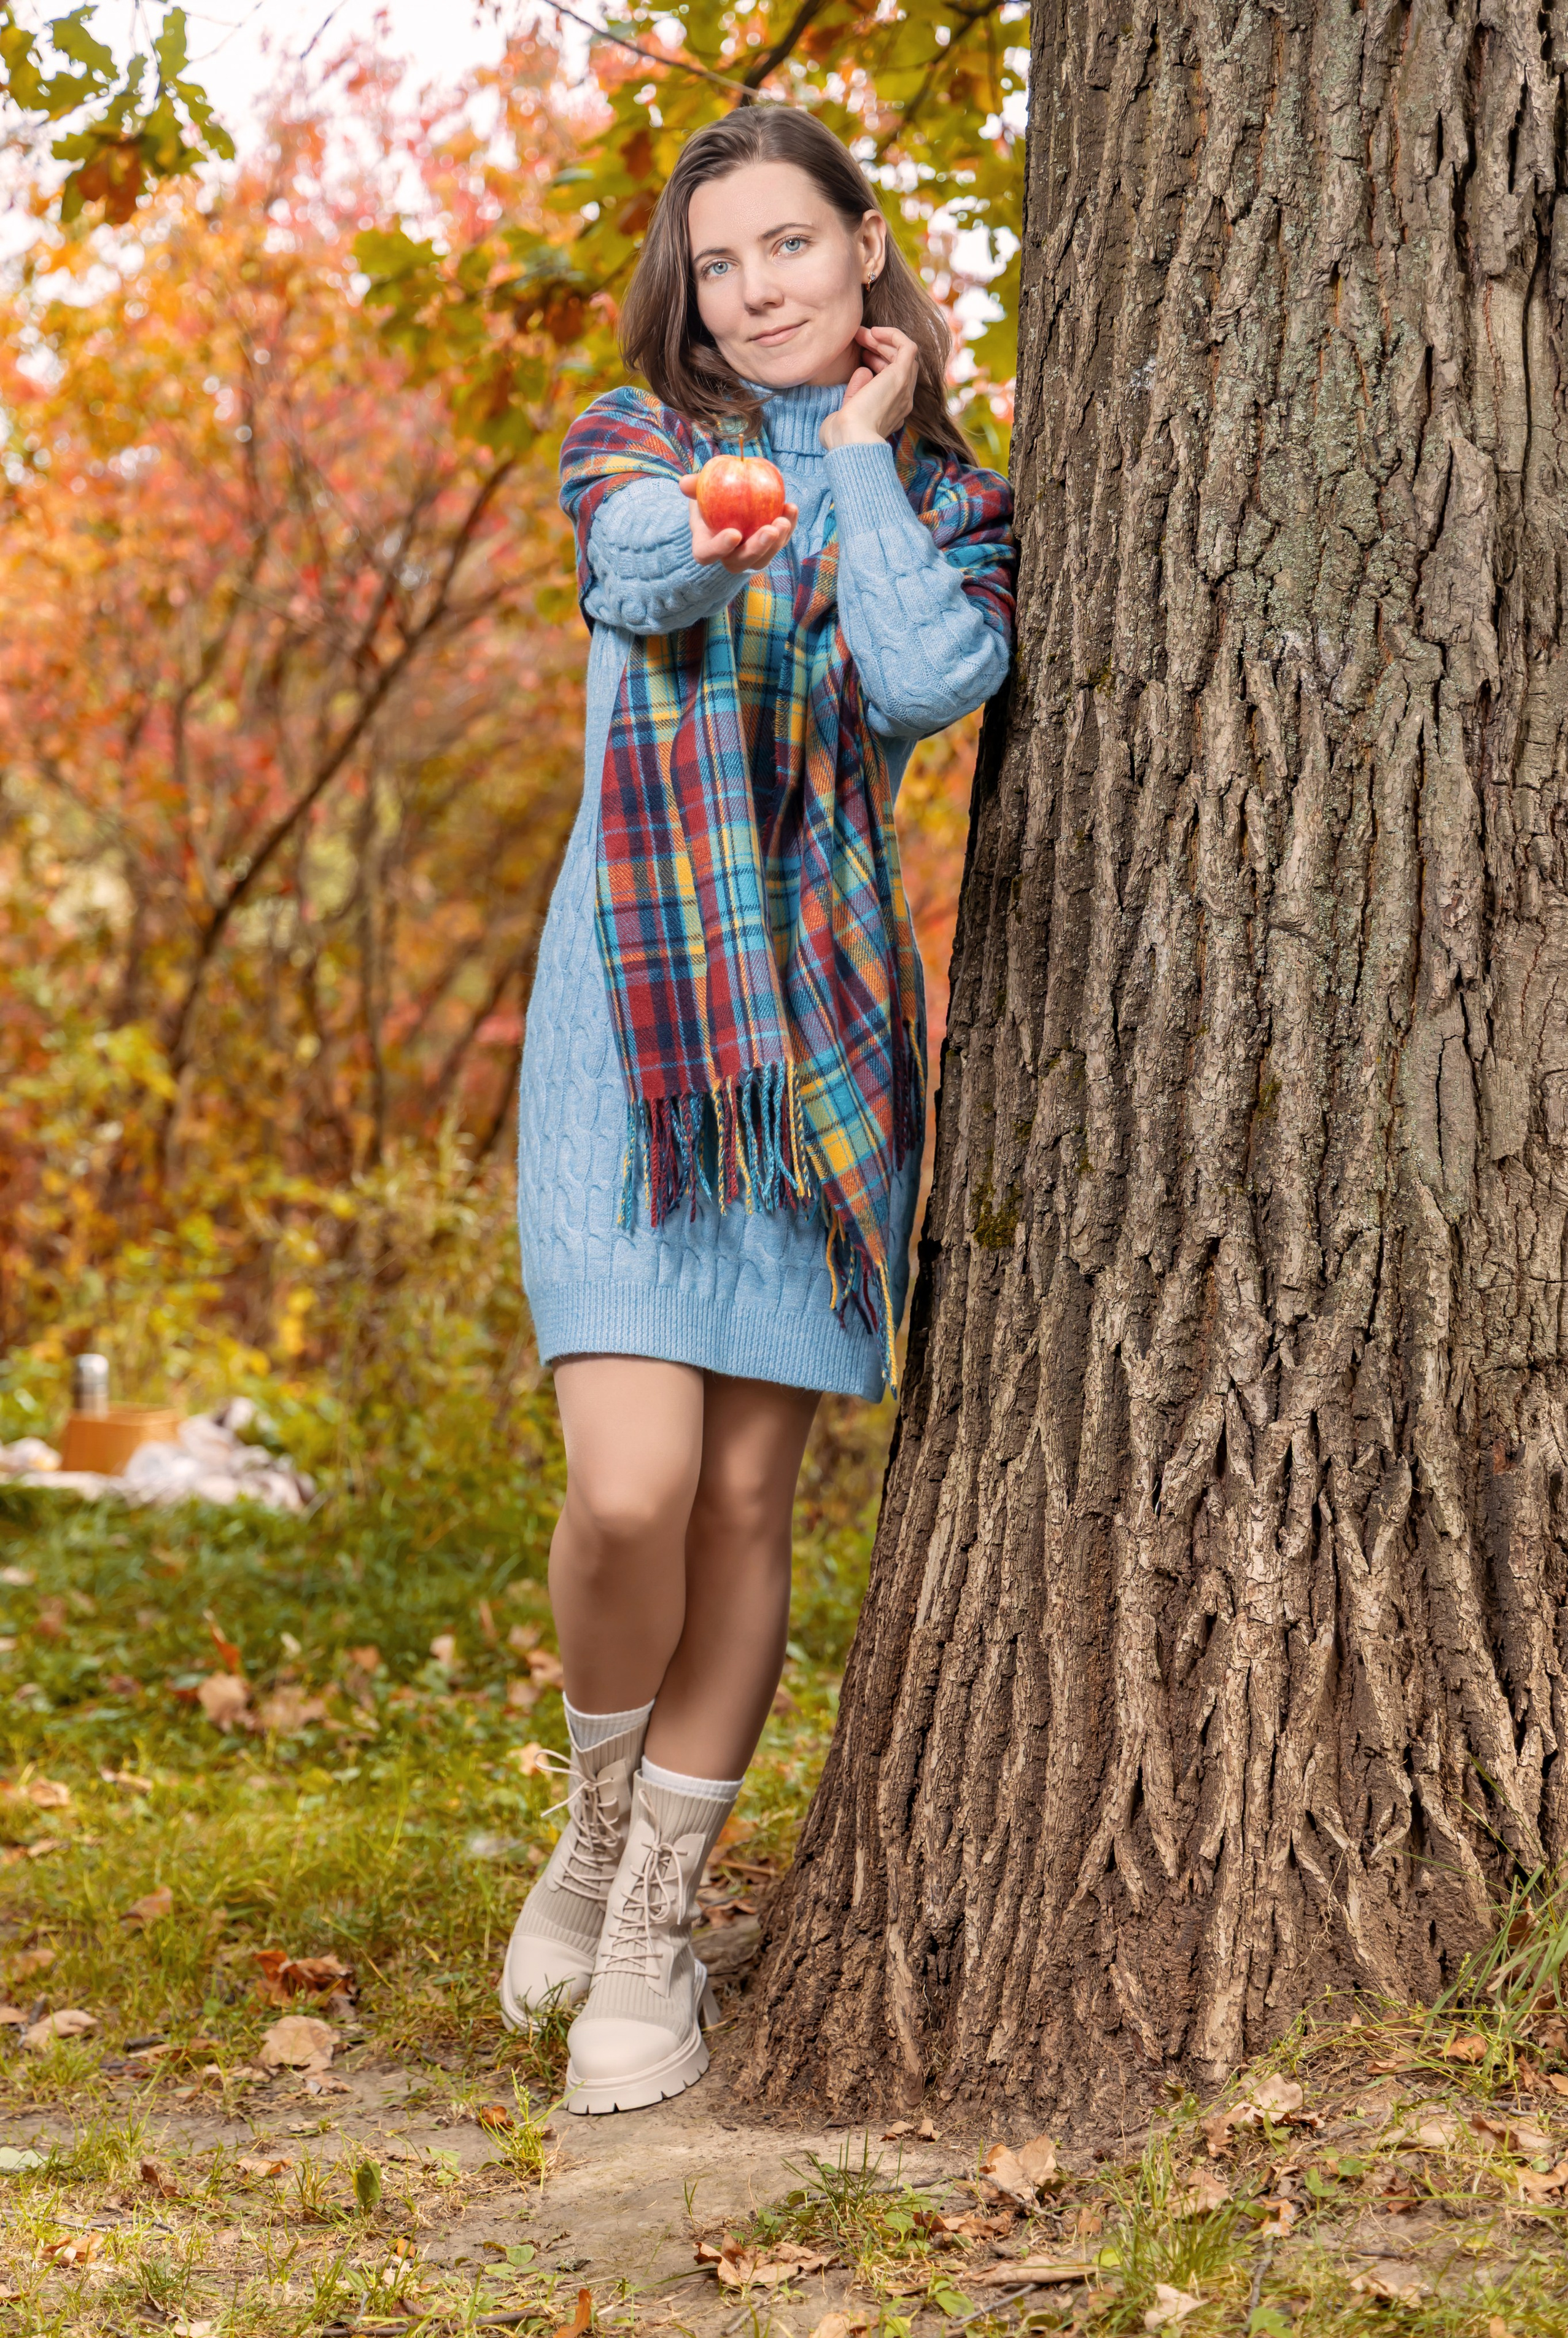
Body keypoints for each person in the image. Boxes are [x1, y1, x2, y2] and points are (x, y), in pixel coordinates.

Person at [504, 106, 1015, 2114]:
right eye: (723, 262)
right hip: (627, 1030)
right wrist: (750, 503)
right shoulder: (637, 441)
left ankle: (655, 1929)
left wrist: (865, 470)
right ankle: (594, 1814)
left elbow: (924, 674)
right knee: (632, 1487)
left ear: (866, 251)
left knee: (740, 1499)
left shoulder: (954, 496)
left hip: (817, 1041)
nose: (759, 288)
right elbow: (643, 580)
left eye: (792, 244)